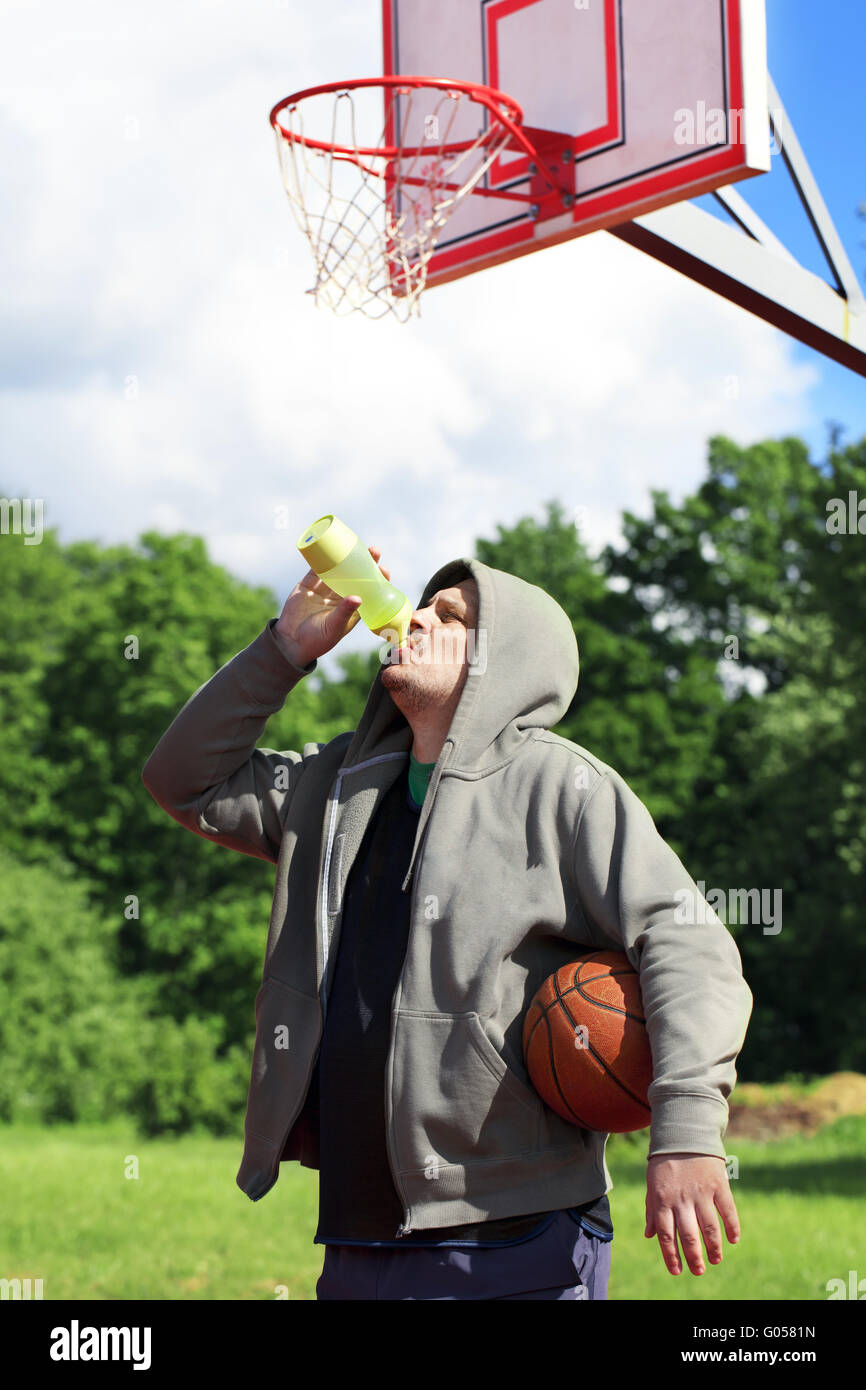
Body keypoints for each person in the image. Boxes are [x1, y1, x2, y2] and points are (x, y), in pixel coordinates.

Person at [141, 545, 753, 1301]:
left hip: (516, 1234)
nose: (418, 615)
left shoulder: (565, 788)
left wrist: (688, 1130)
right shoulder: (333, 787)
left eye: (451, 615)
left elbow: (688, 944)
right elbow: (181, 780)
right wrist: (285, 647)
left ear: (510, 658)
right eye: (422, 605)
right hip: (358, 1231)